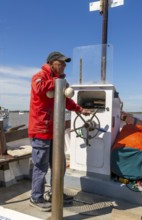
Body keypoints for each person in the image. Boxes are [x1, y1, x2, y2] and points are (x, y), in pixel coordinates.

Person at [28, 51, 90, 211]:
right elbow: (40, 88)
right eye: (61, 63)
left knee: (59, 165)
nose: (64, 66)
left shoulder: (58, 81)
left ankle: (55, 194)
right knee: (41, 166)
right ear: (51, 63)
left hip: (54, 131)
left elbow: (65, 101)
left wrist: (79, 109)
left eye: (65, 63)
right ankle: (36, 197)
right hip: (41, 130)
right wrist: (58, 81)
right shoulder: (39, 76)